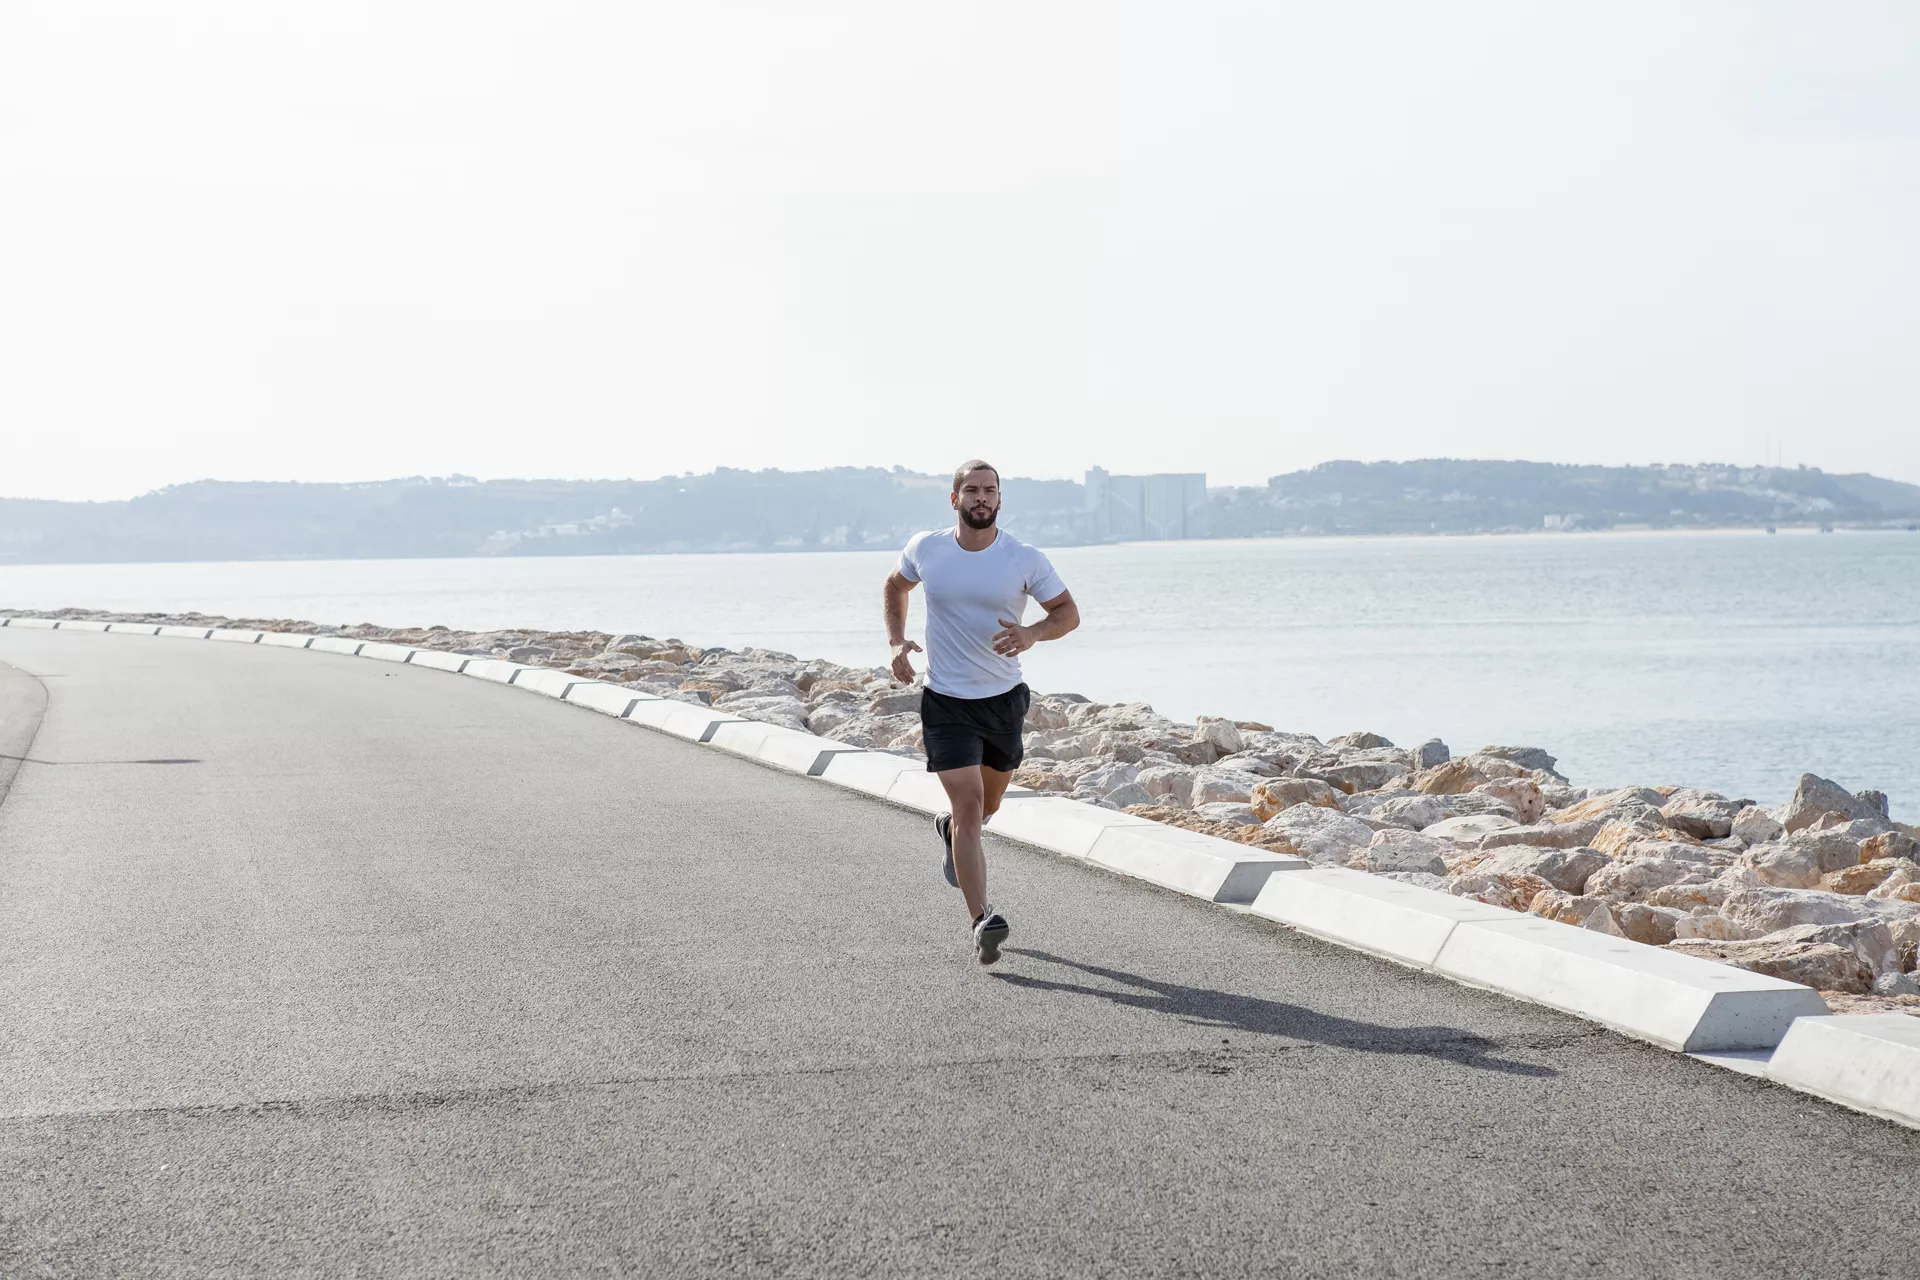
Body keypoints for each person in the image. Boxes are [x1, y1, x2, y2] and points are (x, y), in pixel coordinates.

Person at [883, 460, 1081, 964]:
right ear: (954, 499)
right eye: (970, 490)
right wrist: (897, 641)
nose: (980, 498)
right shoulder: (926, 548)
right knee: (969, 807)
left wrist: (1032, 633)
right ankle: (981, 919)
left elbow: (1067, 613)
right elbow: (895, 587)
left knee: (986, 808)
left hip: (1003, 701)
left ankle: (949, 834)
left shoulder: (1023, 557)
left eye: (989, 491)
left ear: (999, 500)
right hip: (945, 701)